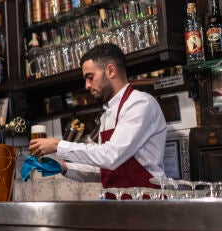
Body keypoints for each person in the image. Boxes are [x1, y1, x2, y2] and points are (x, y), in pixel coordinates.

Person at [28, 43, 167, 188]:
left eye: (90, 77)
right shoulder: (107, 113)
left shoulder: (139, 103)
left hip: (147, 203)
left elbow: (111, 156)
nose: (87, 86)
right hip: (118, 204)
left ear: (111, 71)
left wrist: (58, 145)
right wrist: (63, 167)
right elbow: (106, 170)